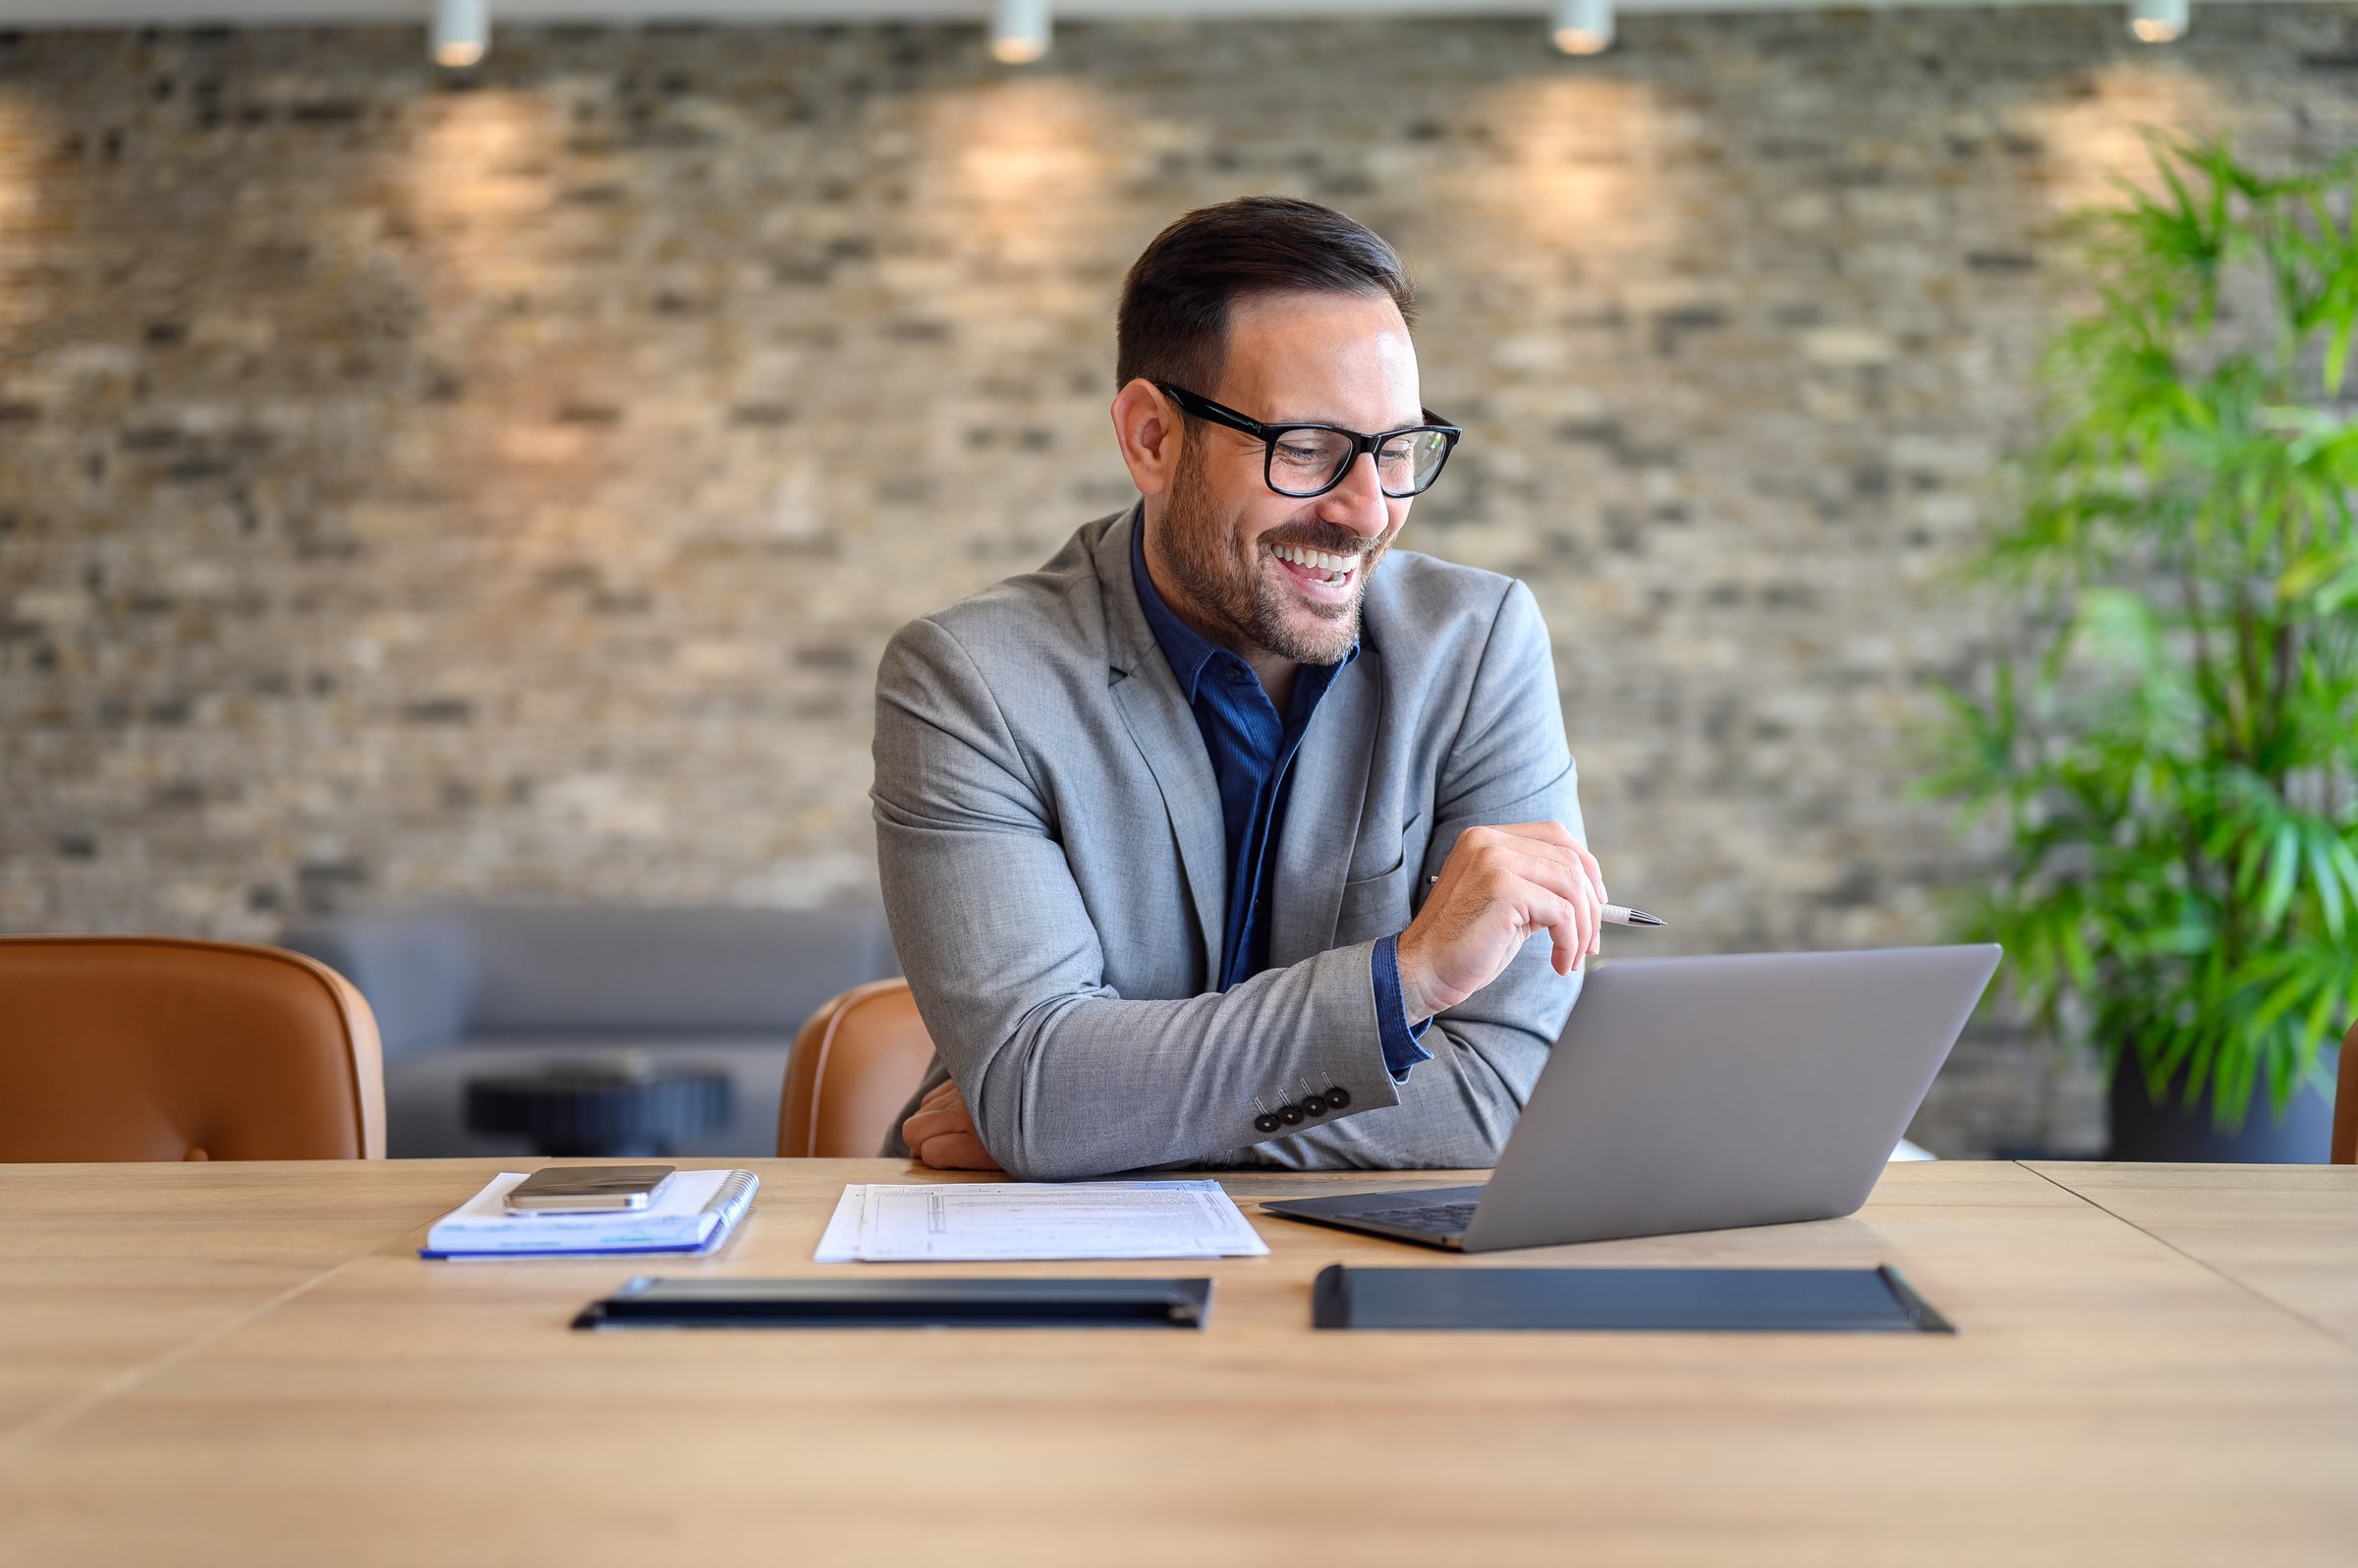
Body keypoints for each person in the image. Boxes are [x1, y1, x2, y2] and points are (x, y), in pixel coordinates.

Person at [873, 196, 1608, 1180]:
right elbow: (1040, 1087)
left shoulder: (1478, 647)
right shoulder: (971, 681)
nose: (1368, 511)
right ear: (1151, 439)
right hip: (1031, 1267)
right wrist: (1409, 979)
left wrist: (1104, 1125)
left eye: (1396, 450)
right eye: (1306, 449)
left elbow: (1503, 1094)